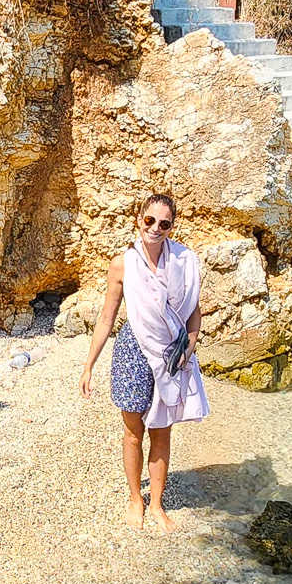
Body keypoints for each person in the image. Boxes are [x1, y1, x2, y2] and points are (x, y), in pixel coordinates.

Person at [78, 192, 208, 531]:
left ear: (171, 226)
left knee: (161, 431)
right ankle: (136, 498)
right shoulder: (123, 263)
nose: (156, 228)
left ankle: (157, 505)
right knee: (134, 431)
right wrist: (89, 365)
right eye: (149, 220)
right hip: (132, 352)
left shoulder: (184, 262)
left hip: (170, 356)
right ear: (139, 219)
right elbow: (107, 318)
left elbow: (194, 317)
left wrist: (187, 350)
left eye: (164, 223)